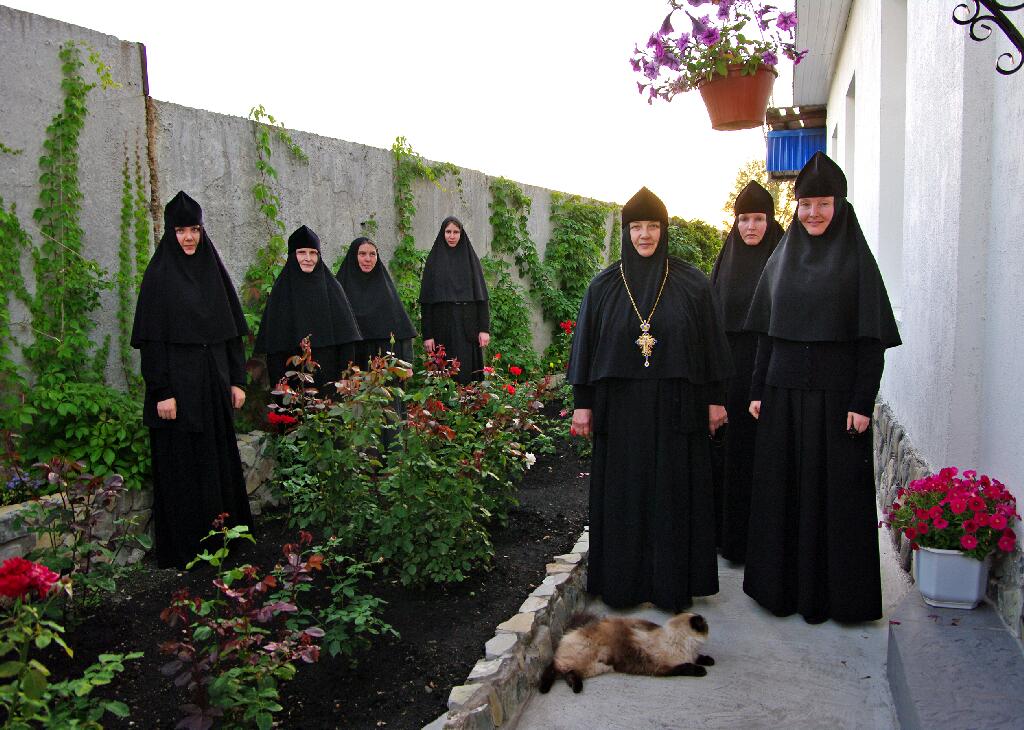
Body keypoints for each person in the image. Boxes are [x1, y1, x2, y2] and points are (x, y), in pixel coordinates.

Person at [742, 152, 901, 624]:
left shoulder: (857, 261)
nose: (813, 213)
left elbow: (871, 340)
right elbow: (766, 333)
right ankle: (780, 590)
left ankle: (837, 599)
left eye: (823, 204)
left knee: (837, 499)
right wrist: (757, 390)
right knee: (783, 494)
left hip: (837, 403)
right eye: (805, 204)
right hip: (783, 396)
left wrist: (861, 401)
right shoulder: (781, 259)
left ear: (839, 205)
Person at [568, 187, 733, 612]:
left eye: (653, 226)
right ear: (626, 232)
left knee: (674, 494)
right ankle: (623, 584)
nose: (645, 235)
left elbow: (712, 346)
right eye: (637, 227)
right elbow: (585, 348)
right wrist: (583, 404)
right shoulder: (604, 286)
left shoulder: (692, 283)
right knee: (625, 495)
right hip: (621, 411)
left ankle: (672, 584)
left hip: (677, 408)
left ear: (664, 230)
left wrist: (716, 400)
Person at [131, 191, 253, 569]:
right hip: (177, 394)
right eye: (181, 231)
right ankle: (187, 548)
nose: (188, 237)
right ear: (171, 233)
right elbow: (152, 342)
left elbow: (231, 335)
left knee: (217, 464)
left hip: (214, 387)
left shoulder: (213, 271)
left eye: (195, 230)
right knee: (182, 467)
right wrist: (162, 392)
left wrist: (237, 381)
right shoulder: (159, 277)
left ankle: (224, 540)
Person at [709, 181, 785, 563]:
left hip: (773, 374)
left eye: (758, 218)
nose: (750, 226)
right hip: (731, 377)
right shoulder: (726, 262)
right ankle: (731, 541)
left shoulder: (786, 259)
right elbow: (710, 327)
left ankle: (767, 545)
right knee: (731, 458)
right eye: (743, 219)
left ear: (770, 220)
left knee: (768, 459)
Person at [254, 225, 362, 392]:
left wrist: (346, 376)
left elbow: (346, 338)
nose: (308, 258)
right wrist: (279, 381)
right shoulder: (281, 291)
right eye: (302, 252)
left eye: (313, 253)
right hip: (291, 380)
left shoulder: (332, 288)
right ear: (292, 255)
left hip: (330, 377)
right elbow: (274, 346)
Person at [418, 216, 490, 384]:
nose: (452, 236)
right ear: (443, 233)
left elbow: (481, 298)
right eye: (448, 232)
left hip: (467, 327)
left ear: (461, 233)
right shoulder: (434, 261)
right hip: (441, 327)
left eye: (456, 232)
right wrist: (428, 335)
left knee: (467, 372)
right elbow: (427, 303)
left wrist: (484, 330)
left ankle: (468, 400)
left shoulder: (471, 260)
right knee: (443, 373)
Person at [335, 236, 417, 365]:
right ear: (353, 256)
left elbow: (403, 330)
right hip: (352, 362)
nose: (368, 259)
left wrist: (407, 363)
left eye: (372, 254)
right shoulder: (339, 290)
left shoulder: (386, 290)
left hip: (384, 364)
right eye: (362, 254)